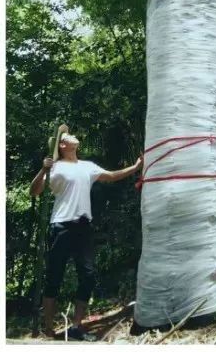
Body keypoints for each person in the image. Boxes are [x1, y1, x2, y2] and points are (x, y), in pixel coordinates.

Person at [30, 130, 142, 341]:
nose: (72, 136)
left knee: (88, 277)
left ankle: (76, 326)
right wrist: (43, 169)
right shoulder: (55, 167)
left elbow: (111, 175)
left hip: (83, 228)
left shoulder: (87, 166)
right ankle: (47, 328)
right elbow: (34, 191)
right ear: (62, 146)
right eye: (67, 136)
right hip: (61, 226)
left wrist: (135, 168)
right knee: (54, 277)